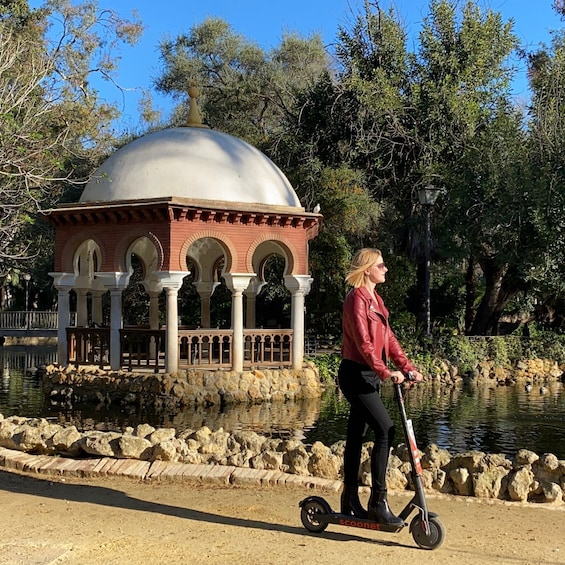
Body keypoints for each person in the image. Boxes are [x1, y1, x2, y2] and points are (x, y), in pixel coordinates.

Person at [338, 248, 423, 525]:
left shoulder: (377, 299)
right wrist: (387, 372)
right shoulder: (356, 299)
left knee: (356, 435)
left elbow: (389, 339)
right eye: (381, 265)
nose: (385, 269)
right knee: (385, 429)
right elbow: (364, 343)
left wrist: (407, 367)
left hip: (370, 375)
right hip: (356, 374)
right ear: (367, 270)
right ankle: (378, 501)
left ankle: (350, 497)